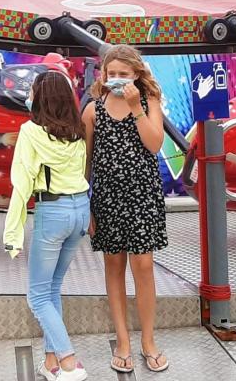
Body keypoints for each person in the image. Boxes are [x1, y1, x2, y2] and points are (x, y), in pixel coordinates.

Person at [84, 46, 169, 375]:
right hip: (108, 198)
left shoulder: (149, 102)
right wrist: (85, 205)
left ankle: (148, 340)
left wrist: (136, 108)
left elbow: (155, 144)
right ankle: (122, 341)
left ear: (137, 74)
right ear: (104, 75)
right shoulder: (93, 110)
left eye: (124, 74)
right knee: (114, 265)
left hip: (142, 195)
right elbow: (86, 164)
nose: (117, 79)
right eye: (112, 73)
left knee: (143, 265)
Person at [5, 70, 92, 381]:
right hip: (80, 210)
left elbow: (21, 184)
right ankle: (51, 362)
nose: (29, 96)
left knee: (37, 296)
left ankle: (69, 362)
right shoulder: (78, 130)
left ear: (41, 97)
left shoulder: (30, 131)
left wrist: (12, 234)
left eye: (32, 91)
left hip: (53, 212)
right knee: (52, 288)